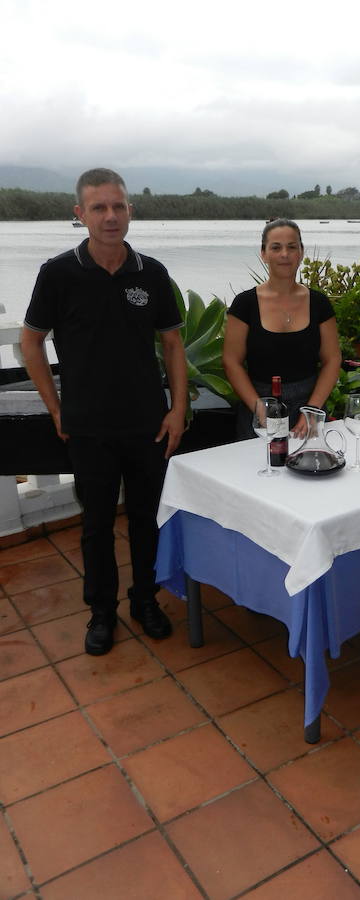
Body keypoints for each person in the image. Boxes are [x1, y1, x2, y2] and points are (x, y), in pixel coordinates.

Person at [21, 168, 187, 656]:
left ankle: (145, 600)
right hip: (87, 427)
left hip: (146, 423)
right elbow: (31, 343)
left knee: (145, 519)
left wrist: (177, 410)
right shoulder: (58, 273)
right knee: (95, 524)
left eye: (118, 206)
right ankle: (101, 612)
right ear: (80, 214)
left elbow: (173, 344)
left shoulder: (151, 273)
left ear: (130, 210)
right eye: (99, 208)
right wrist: (56, 409)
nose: (110, 216)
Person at [222, 218, 341, 438]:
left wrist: (312, 410)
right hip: (258, 410)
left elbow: (332, 360)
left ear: (301, 252)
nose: (284, 254)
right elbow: (231, 362)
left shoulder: (319, 303)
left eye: (292, 247)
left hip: (309, 409)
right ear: (264, 253)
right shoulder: (244, 304)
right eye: (276, 247)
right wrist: (259, 408)